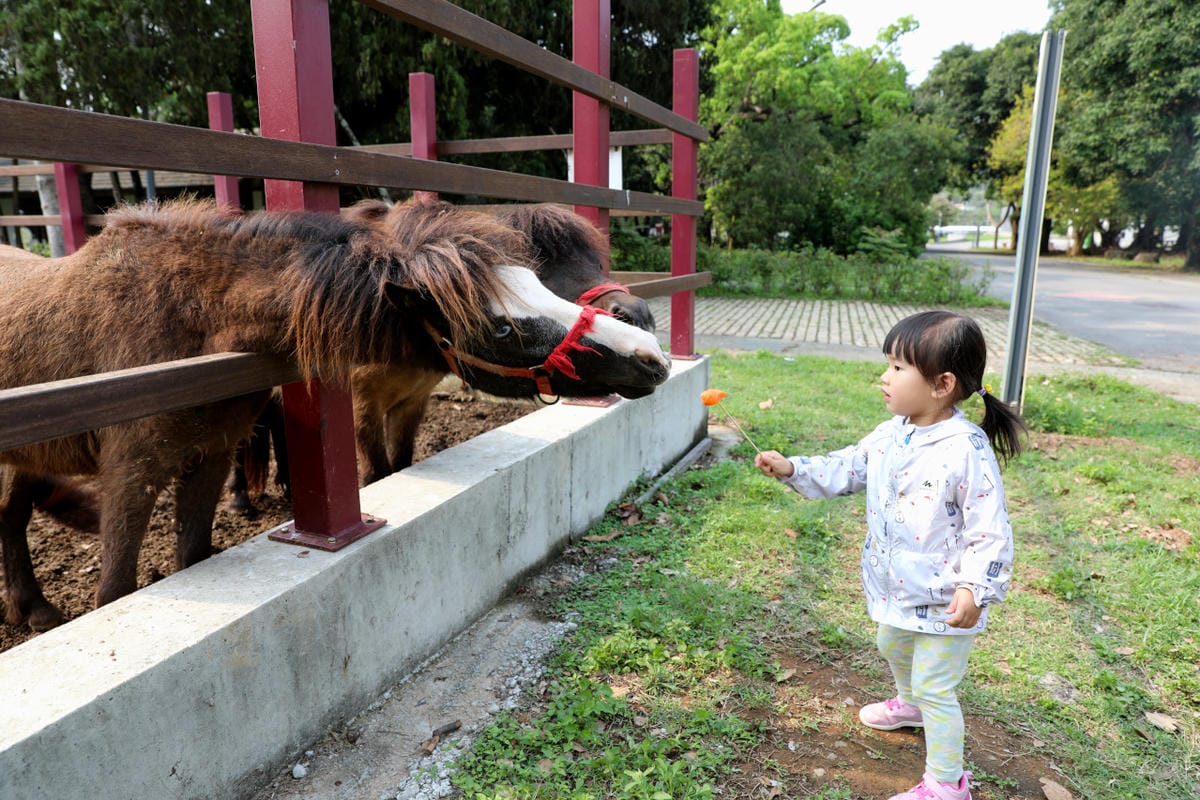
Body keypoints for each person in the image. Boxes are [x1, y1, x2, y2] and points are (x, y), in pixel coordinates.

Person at [754, 310, 1026, 800]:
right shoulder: (890, 432)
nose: (885, 376)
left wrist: (974, 587)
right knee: (892, 646)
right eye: (888, 364)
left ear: (942, 384)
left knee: (937, 685)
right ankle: (910, 704)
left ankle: (947, 785)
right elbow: (847, 467)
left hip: (945, 597)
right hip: (897, 587)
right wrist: (793, 467)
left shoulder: (965, 448)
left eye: (899, 368)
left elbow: (990, 528)